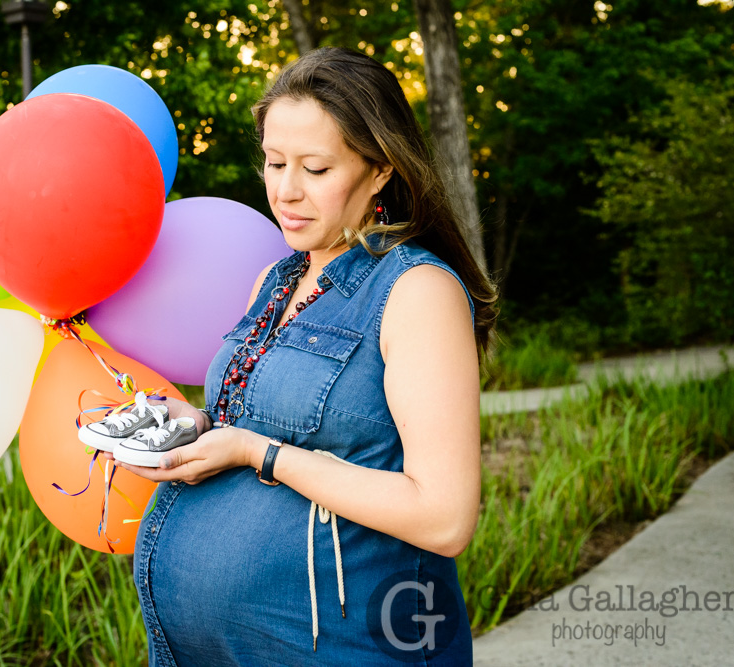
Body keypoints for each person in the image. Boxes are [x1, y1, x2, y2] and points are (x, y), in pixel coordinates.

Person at [113, 46, 497, 665]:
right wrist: (196, 428)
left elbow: (444, 518)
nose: (286, 191)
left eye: (316, 169)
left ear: (380, 171)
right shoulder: (275, 278)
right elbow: (262, 422)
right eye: (273, 162)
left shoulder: (416, 292)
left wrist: (255, 452)